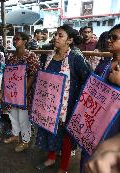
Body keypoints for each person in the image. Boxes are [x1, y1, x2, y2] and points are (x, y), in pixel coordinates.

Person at [35, 25, 92, 173]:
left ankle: (63, 167)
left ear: (70, 40)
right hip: (49, 103)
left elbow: (88, 79)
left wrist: (78, 102)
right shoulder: (48, 56)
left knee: (65, 137)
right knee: (50, 130)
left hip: (68, 105)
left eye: (60, 35)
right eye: (55, 35)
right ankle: (51, 157)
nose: (56, 38)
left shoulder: (75, 58)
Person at [80, 24, 120, 173]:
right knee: (87, 156)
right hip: (94, 120)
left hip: (114, 128)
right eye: (109, 37)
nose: (109, 40)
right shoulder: (104, 63)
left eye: (114, 38)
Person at [4, 32, 39, 152]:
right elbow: (7, 74)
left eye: (17, 39)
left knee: (23, 117)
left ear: (25, 41)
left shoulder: (31, 56)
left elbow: (33, 74)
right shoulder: (11, 57)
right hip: (12, 92)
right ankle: (15, 135)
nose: (14, 41)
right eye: (14, 39)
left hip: (24, 92)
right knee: (13, 114)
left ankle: (25, 140)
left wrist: (24, 90)